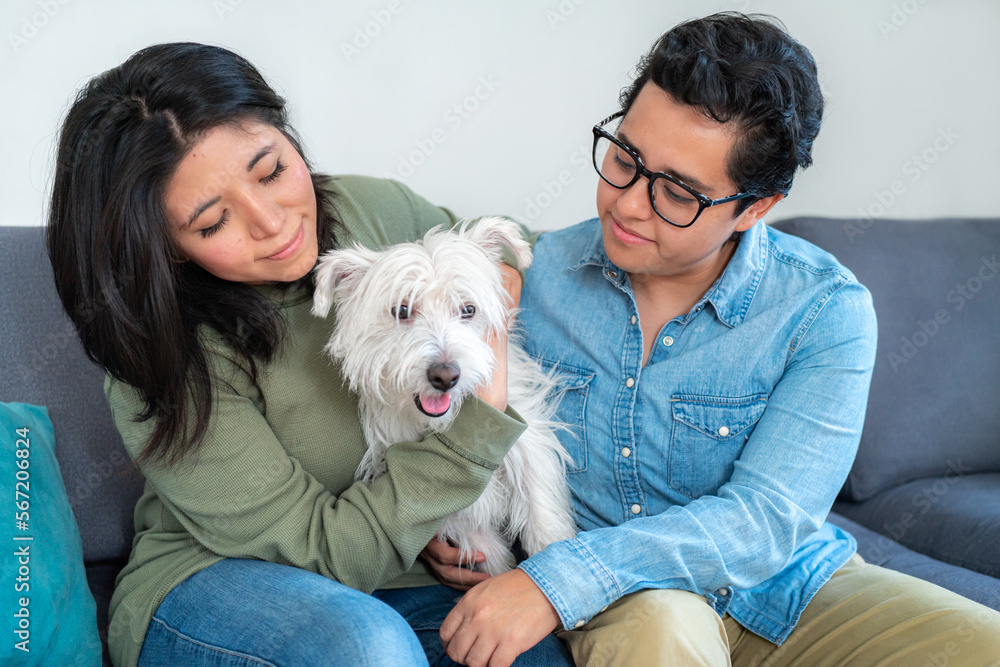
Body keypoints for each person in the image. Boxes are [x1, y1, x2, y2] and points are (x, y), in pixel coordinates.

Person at [426, 12, 1000, 666]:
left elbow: (763, 521)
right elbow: (437, 402)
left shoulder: (824, 311)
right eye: (625, 158)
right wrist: (437, 530)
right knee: (664, 632)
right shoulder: (529, 279)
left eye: (676, 192)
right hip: (627, 600)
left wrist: (552, 579)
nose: (629, 204)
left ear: (755, 207)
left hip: (787, 586)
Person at [45, 42, 573, 667]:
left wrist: (494, 293)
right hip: (219, 585)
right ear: (166, 247)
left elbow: (499, 245)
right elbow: (322, 549)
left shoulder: (369, 210)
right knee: (367, 649)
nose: (272, 221)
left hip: (406, 584)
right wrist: (453, 463)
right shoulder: (162, 362)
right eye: (214, 222)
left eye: (271, 172)